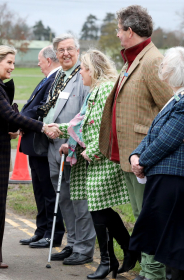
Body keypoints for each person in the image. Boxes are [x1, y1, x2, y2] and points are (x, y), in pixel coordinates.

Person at [0, 45, 61, 274]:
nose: (12, 67)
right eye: (8, 62)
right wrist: (43, 127)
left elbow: (5, 118)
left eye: (13, 63)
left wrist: (12, 127)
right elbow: (9, 115)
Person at [98, 5, 173, 279]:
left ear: (130, 31)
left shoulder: (152, 61)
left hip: (146, 157)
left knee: (148, 217)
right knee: (141, 216)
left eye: (119, 30)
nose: (117, 35)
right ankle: (149, 268)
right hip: (131, 155)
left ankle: (154, 272)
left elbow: (171, 109)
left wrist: (149, 152)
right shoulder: (133, 58)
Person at [51, 49, 132, 279]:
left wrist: (93, 151)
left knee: (98, 209)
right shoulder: (96, 89)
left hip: (102, 160)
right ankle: (114, 258)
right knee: (99, 210)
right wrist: (61, 129)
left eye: (84, 69)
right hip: (95, 159)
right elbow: (84, 123)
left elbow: (101, 125)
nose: (81, 73)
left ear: (93, 70)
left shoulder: (105, 88)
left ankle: (121, 253)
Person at [129, 47, 184, 280]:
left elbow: (167, 140)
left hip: (177, 180)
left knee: (176, 243)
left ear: (175, 71)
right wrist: (135, 155)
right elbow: (153, 134)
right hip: (165, 178)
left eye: (164, 65)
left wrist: (142, 161)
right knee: (165, 238)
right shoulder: (178, 97)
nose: (161, 68)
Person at [35, 33, 96, 266]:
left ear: (78, 51)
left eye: (70, 49)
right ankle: (72, 243)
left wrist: (67, 139)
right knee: (64, 198)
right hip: (54, 146)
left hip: (72, 146)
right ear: (56, 53)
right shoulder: (60, 75)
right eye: (61, 50)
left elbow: (85, 116)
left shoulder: (83, 76)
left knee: (79, 198)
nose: (66, 53)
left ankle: (83, 247)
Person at [19, 46, 65, 248]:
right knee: (38, 188)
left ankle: (52, 233)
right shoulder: (48, 78)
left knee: (48, 189)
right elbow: (32, 104)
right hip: (34, 142)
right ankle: (41, 230)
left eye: (39, 60)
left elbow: (43, 106)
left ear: (48, 60)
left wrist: (22, 119)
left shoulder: (55, 79)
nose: (38, 63)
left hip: (42, 142)